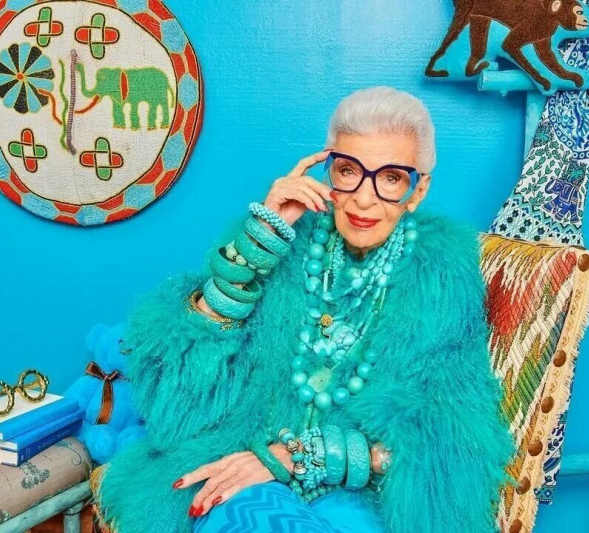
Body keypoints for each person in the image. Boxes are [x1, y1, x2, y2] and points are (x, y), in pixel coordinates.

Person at [92, 86, 516, 532]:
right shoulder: (284, 238)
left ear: (418, 189)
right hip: (236, 455)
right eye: (349, 171)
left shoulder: (442, 274)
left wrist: (301, 457)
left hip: (358, 491)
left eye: (391, 178)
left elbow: (444, 432)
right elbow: (178, 406)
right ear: (329, 171)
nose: (364, 198)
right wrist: (255, 248)